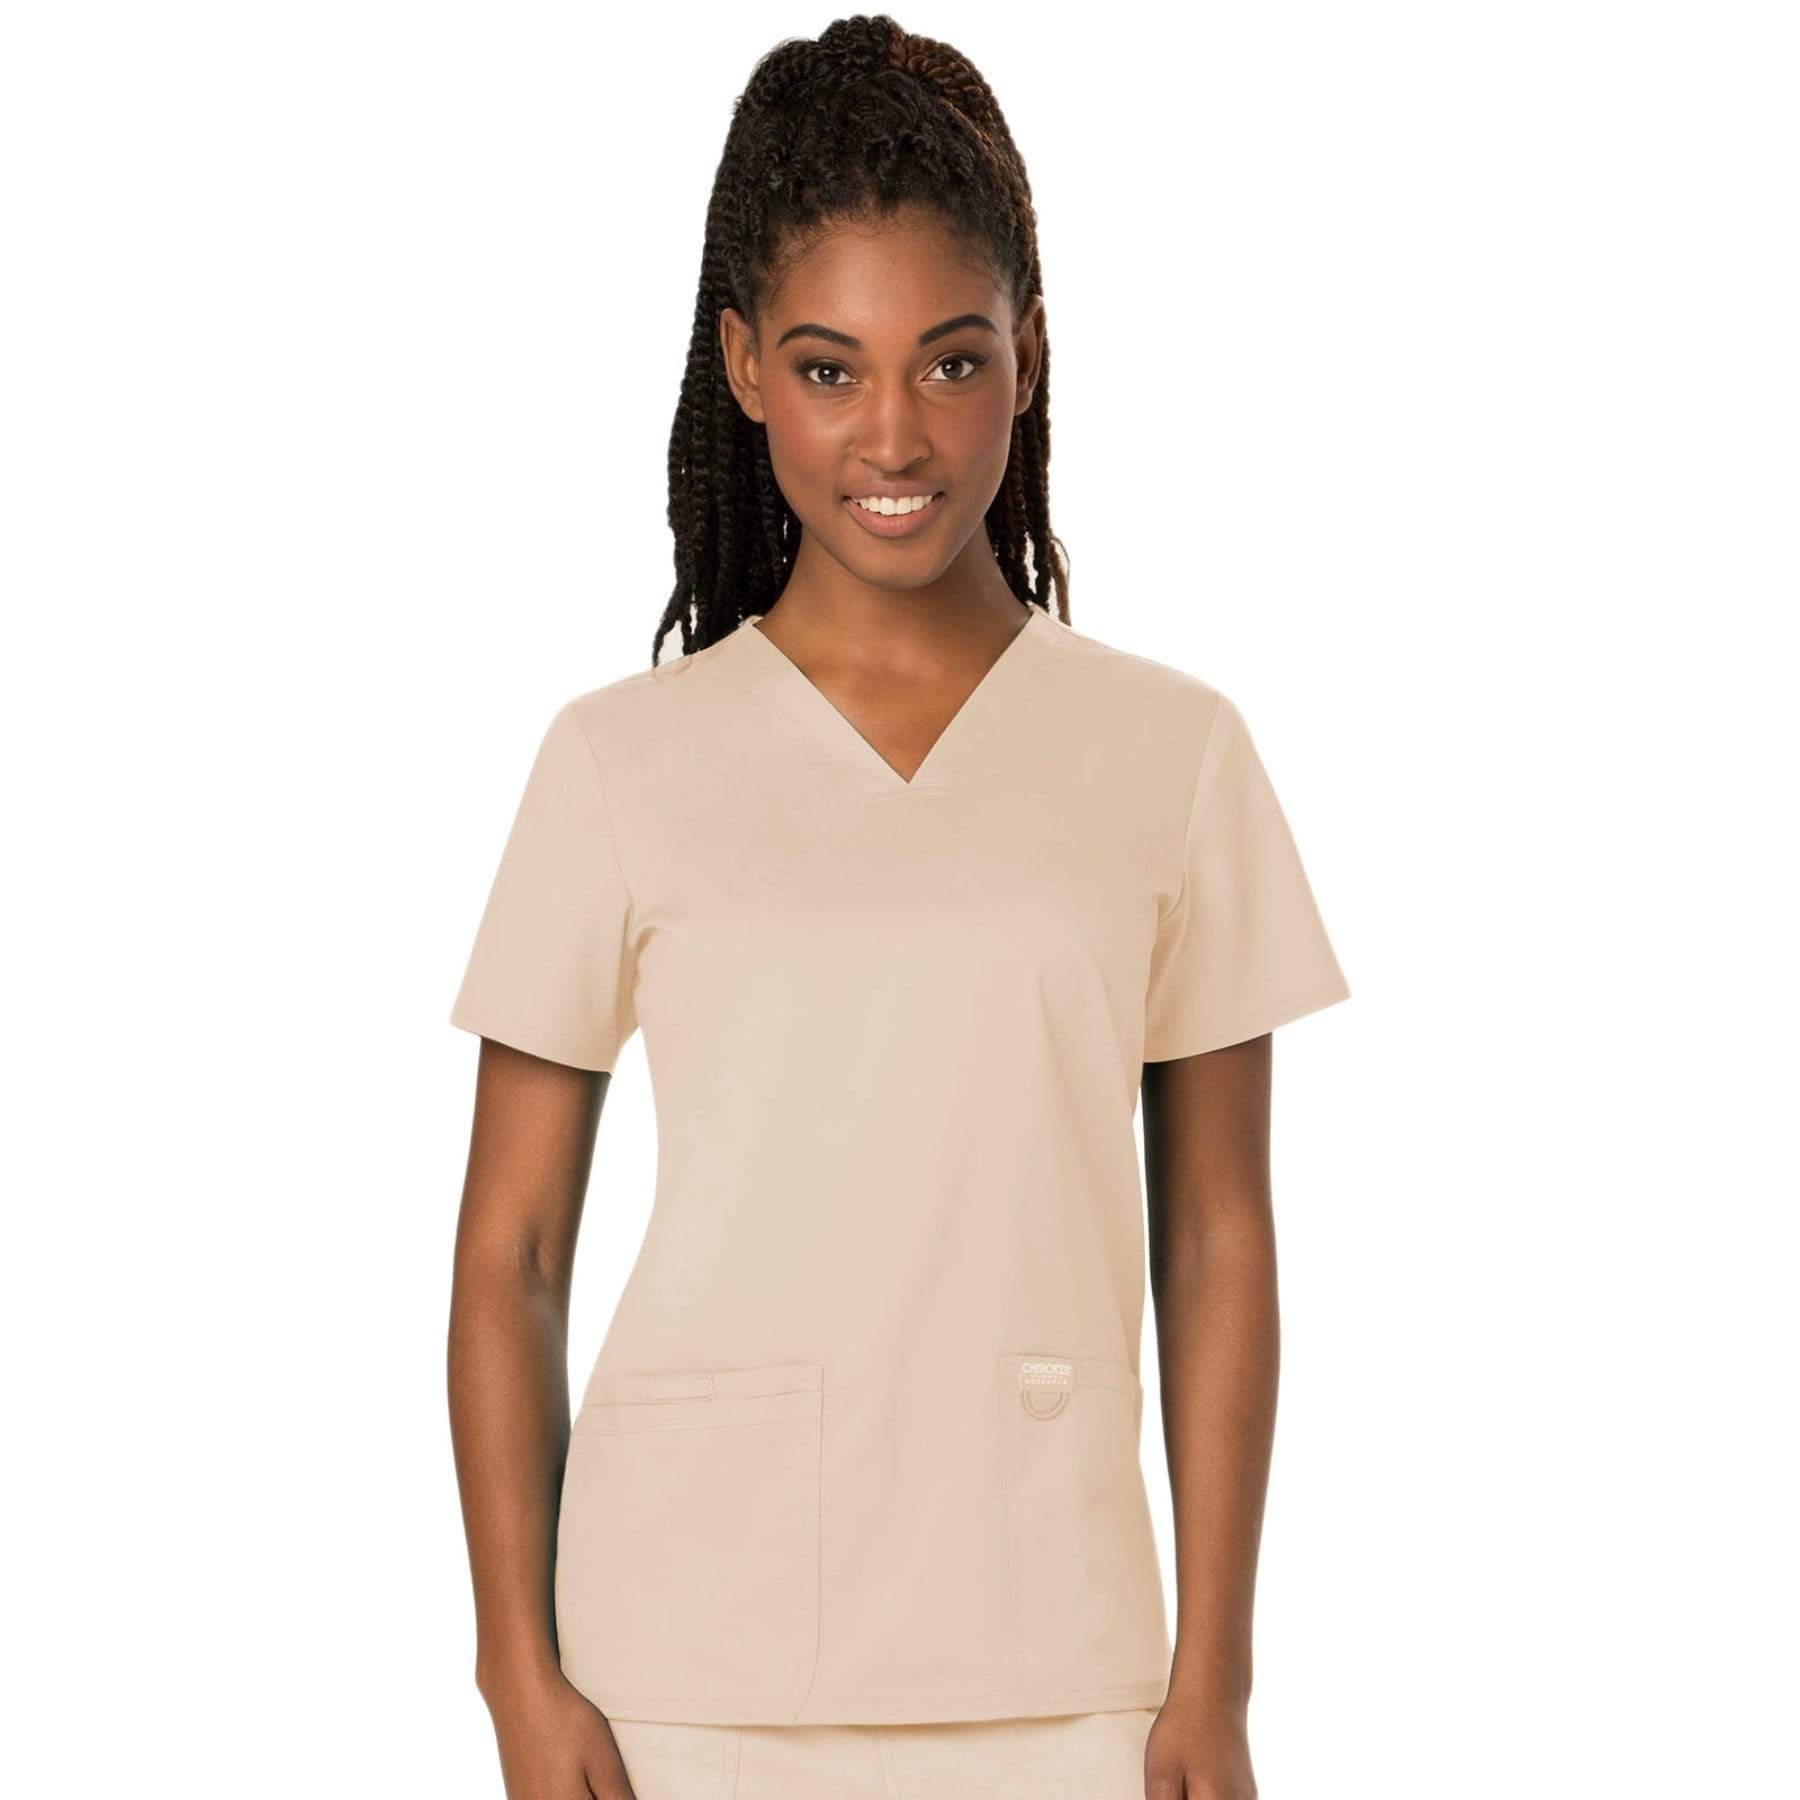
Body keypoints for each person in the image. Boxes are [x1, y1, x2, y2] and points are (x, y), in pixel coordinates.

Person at [446, 16, 1350, 1799]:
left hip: (1064, 1662)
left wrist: (1217, 1684)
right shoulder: (620, 762)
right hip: (680, 1669)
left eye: (951, 362)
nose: (895, 434)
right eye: (827, 366)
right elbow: (512, 1255)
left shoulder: (1171, 754)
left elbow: (1219, 1239)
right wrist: (515, 1683)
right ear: (742, 367)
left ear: (1029, 355)